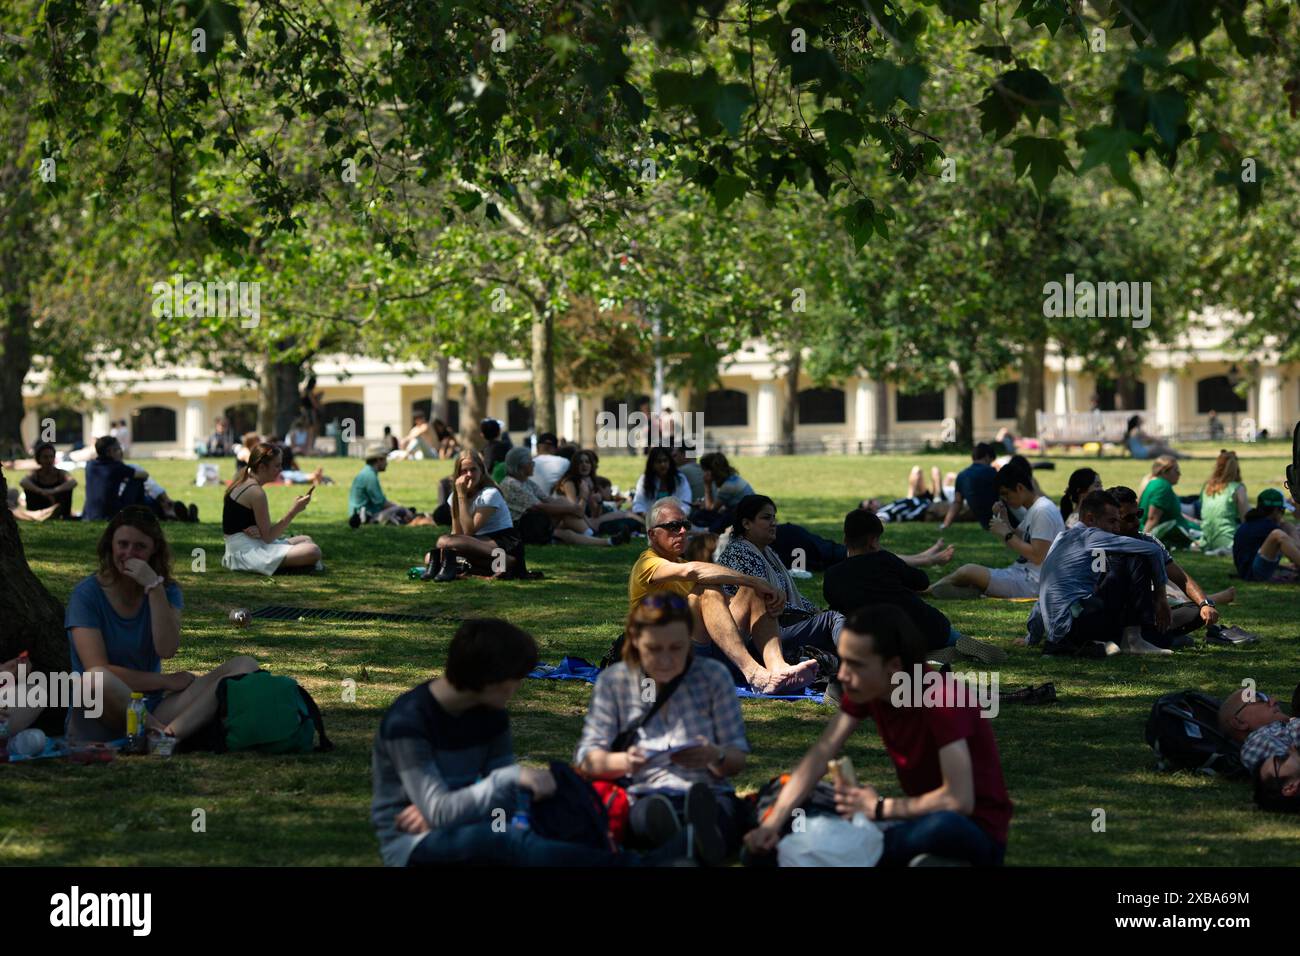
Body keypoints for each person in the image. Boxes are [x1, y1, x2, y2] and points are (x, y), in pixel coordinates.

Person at [371, 617, 675, 866]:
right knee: (507, 840)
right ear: (488, 679)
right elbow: (448, 806)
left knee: (554, 801)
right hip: (412, 842)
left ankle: (642, 830)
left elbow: (493, 798)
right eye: (514, 678)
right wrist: (510, 778)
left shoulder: (492, 714)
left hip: (473, 817)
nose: (517, 686)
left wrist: (456, 805)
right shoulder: (409, 723)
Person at [744, 605, 1013, 867]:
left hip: (972, 833)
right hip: (913, 820)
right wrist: (772, 823)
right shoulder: (870, 689)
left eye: (855, 664)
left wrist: (879, 808)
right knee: (782, 830)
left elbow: (958, 800)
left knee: (941, 826)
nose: (843, 675)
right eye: (842, 660)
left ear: (893, 667)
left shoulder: (943, 699)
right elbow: (820, 755)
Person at [576, 595, 751, 863]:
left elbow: (737, 758)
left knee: (718, 814)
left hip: (707, 792)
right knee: (646, 816)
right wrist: (625, 761)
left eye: (676, 648)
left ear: (690, 641)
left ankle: (684, 845)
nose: (666, 660)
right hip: (646, 792)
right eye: (655, 649)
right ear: (635, 640)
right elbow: (587, 760)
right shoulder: (616, 683)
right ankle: (693, 843)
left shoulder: (713, 677)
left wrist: (715, 756)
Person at [65, 507, 261, 743]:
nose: (130, 553)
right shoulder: (87, 594)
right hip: (101, 711)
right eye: (123, 544)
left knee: (245, 664)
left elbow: (166, 649)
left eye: (140, 547)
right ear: (111, 546)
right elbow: (98, 668)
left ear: (153, 550)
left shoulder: (167, 591)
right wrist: (165, 681)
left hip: (152, 706)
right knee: (95, 678)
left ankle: (168, 735)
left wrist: (154, 588)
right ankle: (160, 735)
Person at [628, 497, 817, 694]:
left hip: (700, 648)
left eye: (685, 524)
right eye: (674, 526)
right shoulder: (646, 564)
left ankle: (779, 668)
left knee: (752, 592)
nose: (683, 531)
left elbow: (719, 604)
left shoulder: (681, 564)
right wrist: (753, 580)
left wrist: (762, 594)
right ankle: (754, 674)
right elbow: (693, 571)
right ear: (652, 534)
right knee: (707, 591)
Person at [824, 508, 1004, 663]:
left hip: (882, 642)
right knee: (944, 632)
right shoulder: (885, 560)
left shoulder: (833, 576)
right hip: (926, 626)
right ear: (873, 541)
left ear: (845, 538)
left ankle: (924, 655)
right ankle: (958, 642)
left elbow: (834, 606)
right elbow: (921, 581)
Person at [1029, 490, 1173, 656]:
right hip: (1076, 623)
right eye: (1112, 521)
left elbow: (1044, 597)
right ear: (1091, 519)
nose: (1116, 528)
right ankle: (1133, 640)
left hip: (1060, 631)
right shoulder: (1092, 536)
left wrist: (1032, 637)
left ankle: (1094, 644)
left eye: (1118, 522)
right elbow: (1153, 550)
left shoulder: (1061, 538)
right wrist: (1161, 598)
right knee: (1135, 558)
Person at [714, 495, 844, 662]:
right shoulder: (740, 553)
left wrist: (814, 610)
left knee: (832, 622)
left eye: (774, 517)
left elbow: (786, 596)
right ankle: (858, 663)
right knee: (832, 621)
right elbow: (771, 602)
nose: (773, 523)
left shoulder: (767, 553)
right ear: (746, 523)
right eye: (766, 518)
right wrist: (814, 617)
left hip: (778, 628)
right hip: (758, 637)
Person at [929, 461, 1065, 600]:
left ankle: (928, 591)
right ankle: (966, 591)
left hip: (1033, 583)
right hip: (1022, 575)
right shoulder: (1035, 509)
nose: (1005, 499)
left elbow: (1037, 556)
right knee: (970, 575)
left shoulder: (1043, 511)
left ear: (1019, 487)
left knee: (968, 571)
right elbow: (1018, 539)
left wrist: (1006, 533)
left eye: (1006, 494)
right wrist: (1004, 519)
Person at [1109, 485, 1234, 635]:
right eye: (1129, 518)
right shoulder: (1098, 543)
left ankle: (1154, 636)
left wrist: (1205, 604)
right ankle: (1155, 638)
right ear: (1112, 518)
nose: (1136, 522)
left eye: (1139, 514)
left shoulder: (1148, 542)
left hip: (1147, 612)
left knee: (1196, 611)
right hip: (1113, 611)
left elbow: (1181, 578)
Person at [221, 442, 322, 575]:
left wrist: (258, 530)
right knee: (313, 550)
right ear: (262, 467)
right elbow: (268, 537)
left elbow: (244, 526)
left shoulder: (244, 481)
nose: (281, 469)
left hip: (247, 546)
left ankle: (301, 565)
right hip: (246, 554)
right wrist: (294, 511)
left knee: (305, 539)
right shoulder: (256, 492)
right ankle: (299, 566)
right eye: (277, 465)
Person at [498, 447, 628, 548]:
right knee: (565, 513)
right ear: (521, 465)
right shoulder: (511, 484)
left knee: (566, 528)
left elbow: (548, 500)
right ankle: (592, 533)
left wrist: (586, 503)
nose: (533, 464)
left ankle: (608, 541)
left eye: (588, 462)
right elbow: (539, 507)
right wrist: (579, 502)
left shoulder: (525, 481)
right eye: (530, 462)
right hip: (524, 527)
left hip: (538, 522)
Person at [427, 450, 522, 581]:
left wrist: (462, 496)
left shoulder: (490, 494)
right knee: (430, 557)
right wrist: (459, 496)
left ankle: (507, 560)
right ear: (457, 474)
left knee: (444, 541)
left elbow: (468, 532)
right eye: (464, 471)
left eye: (473, 470)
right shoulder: (454, 496)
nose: (469, 475)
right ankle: (480, 569)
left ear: (482, 471)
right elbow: (457, 532)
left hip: (501, 542)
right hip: (476, 543)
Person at [82, 435, 195, 522]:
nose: (121, 452)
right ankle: (168, 510)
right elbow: (144, 476)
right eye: (118, 449)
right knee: (139, 483)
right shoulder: (117, 467)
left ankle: (169, 512)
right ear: (109, 452)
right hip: (112, 514)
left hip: (90, 514)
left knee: (148, 499)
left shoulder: (90, 465)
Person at [1232, 488, 1300, 583]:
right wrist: (1291, 529)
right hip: (1253, 574)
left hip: (1247, 572)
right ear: (1276, 511)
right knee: (1278, 535)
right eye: (1282, 510)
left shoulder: (1253, 522)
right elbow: (1297, 546)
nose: (1283, 515)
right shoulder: (1268, 526)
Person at [1138, 456, 1201, 547]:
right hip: (1171, 532)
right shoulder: (1162, 487)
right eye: (1176, 470)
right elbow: (1152, 518)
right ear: (1164, 471)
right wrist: (1143, 542)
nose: (1179, 474)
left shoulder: (1155, 483)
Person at [348, 447, 414, 526]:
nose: (387, 463)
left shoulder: (366, 472)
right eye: (385, 460)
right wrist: (404, 509)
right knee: (401, 511)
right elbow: (382, 503)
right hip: (364, 517)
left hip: (359, 514)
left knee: (399, 509)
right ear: (379, 460)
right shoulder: (370, 476)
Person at [1199, 450, 1249, 555]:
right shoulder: (1237, 488)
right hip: (1227, 538)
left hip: (1206, 539)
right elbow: (1246, 520)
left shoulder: (1207, 486)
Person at [942, 443, 998, 530]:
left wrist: (945, 524)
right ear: (987, 457)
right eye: (991, 461)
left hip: (986, 523)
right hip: (1002, 520)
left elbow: (957, 502)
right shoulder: (991, 473)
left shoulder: (961, 476)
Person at [693, 452, 755, 531]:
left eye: (704, 471)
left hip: (743, 517)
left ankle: (708, 532)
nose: (703, 474)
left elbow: (710, 509)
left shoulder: (728, 486)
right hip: (744, 513)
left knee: (700, 515)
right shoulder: (733, 479)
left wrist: (707, 485)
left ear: (710, 471)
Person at [631, 446, 692, 518]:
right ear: (652, 464)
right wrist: (648, 517)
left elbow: (686, 504)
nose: (662, 464)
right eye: (658, 461)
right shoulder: (644, 479)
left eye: (665, 460)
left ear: (670, 462)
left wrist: (674, 517)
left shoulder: (680, 479)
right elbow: (638, 503)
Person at [21, 441, 77, 519]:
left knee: (66, 489)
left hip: (59, 510)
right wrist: (41, 491)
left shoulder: (61, 473)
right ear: (39, 459)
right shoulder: (34, 474)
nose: (49, 460)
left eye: (51, 456)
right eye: (45, 457)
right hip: (38, 508)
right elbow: (23, 482)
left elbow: (73, 482)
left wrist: (54, 490)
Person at [529, 433, 571, 497]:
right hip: (557, 504)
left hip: (532, 503)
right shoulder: (565, 462)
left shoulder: (528, 463)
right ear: (556, 448)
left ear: (538, 447)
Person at [300, 374, 323, 449]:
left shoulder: (304, 390)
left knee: (308, 429)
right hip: (309, 412)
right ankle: (310, 446)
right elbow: (314, 403)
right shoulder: (309, 392)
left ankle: (308, 446)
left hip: (304, 412)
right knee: (311, 430)